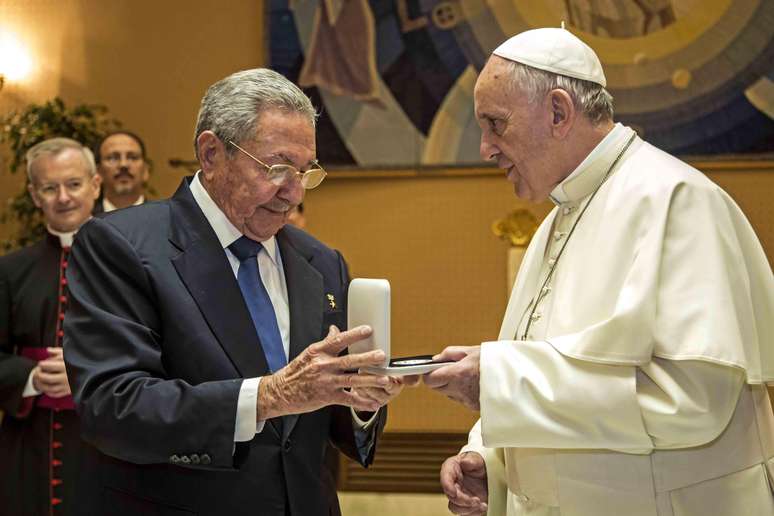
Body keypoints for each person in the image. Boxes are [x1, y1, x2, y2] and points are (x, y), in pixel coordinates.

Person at [424, 27, 774, 516]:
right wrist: (490, 460)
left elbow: (692, 402)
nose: (485, 148)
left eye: (496, 124)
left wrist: (499, 382)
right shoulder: (554, 223)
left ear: (559, 112)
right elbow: (547, 366)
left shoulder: (675, 201)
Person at [63, 69, 410, 516]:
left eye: (306, 172)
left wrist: (360, 401)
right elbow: (113, 406)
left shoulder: (320, 262)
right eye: (278, 168)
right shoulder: (121, 245)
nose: (293, 192)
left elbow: (321, 421)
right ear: (211, 154)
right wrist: (269, 396)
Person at [0, 137, 101, 515]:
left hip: (108, 446)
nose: (63, 197)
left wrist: (85, 371)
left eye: (73, 184)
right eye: (49, 187)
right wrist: (32, 377)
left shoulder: (135, 264)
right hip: (29, 448)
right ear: (33, 194)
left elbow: (163, 350)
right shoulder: (10, 270)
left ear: (95, 185)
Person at [93, 130, 149, 212]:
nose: (123, 165)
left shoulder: (166, 221)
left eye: (132, 157)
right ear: (98, 172)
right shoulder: (84, 222)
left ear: (145, 170)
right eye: (113, 158)